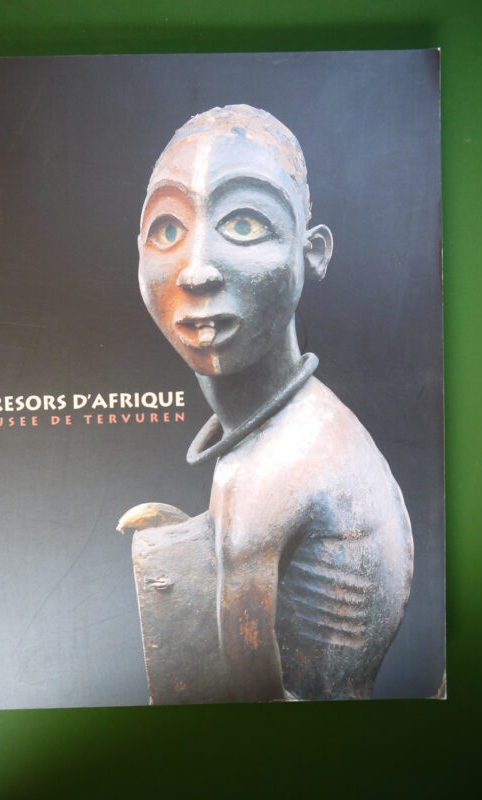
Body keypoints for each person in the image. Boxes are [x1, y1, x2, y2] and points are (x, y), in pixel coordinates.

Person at [118, 105, 413, 703]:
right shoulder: (310, 422)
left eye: (245, 223)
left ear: (313, 252)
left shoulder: (267, 469)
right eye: (167, 230)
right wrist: (197, 540)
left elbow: (250, 682)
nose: (195, 270)